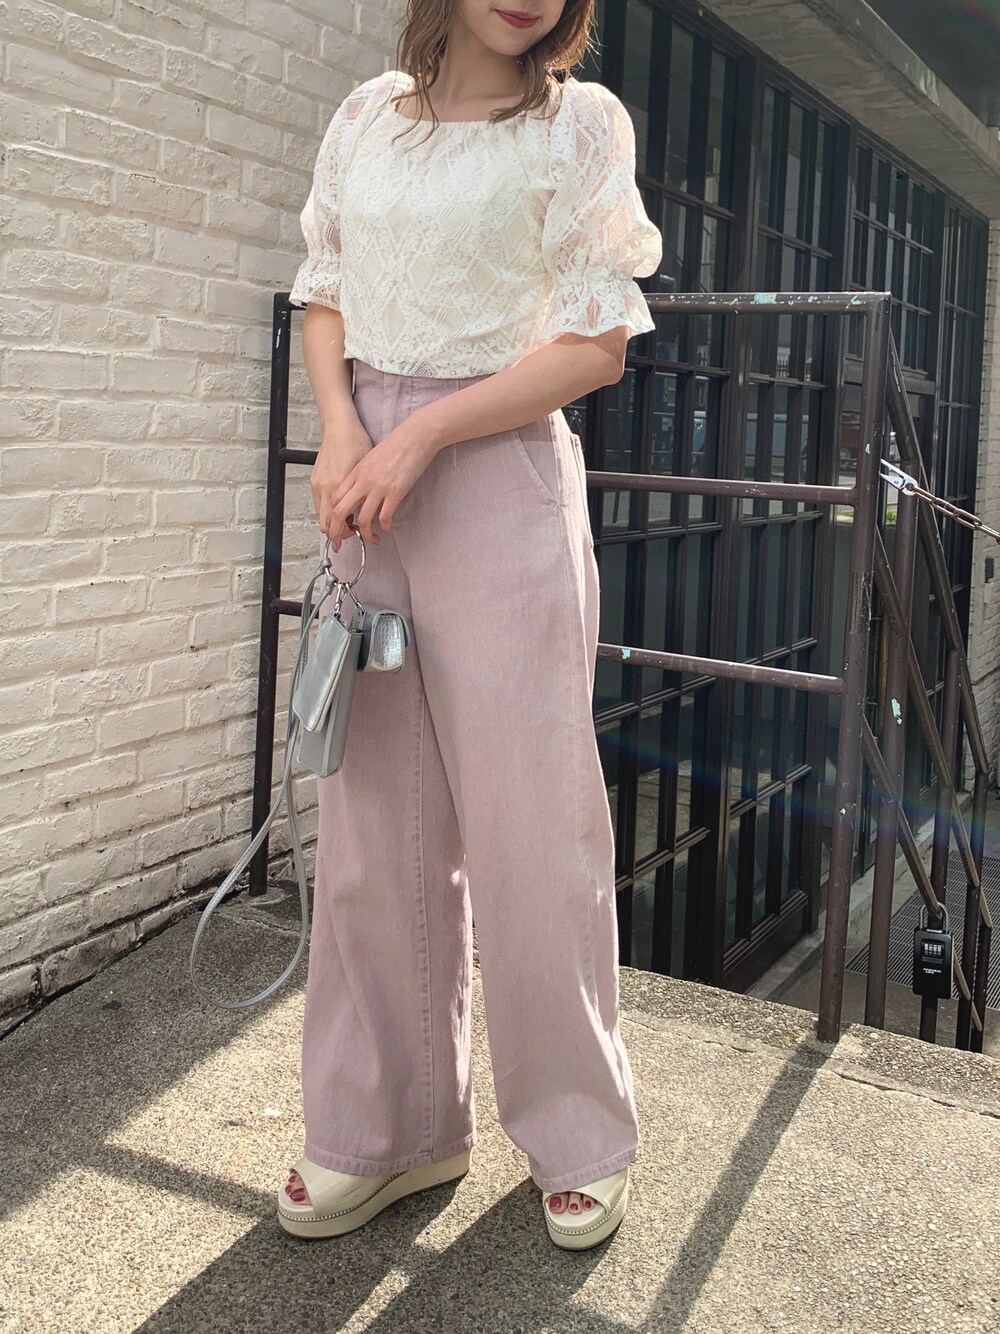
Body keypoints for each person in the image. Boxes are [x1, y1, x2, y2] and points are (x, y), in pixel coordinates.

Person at [278, 0, 662, 1252]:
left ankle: (578, 1131)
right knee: (372, 825)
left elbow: (594, 345)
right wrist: (344, 429)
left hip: (495, 473)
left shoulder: (575, 126)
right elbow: (325, 290)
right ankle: (384, 1130)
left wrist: (426, 430)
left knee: (531, 820)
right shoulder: (363, 119)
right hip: (365, 482)